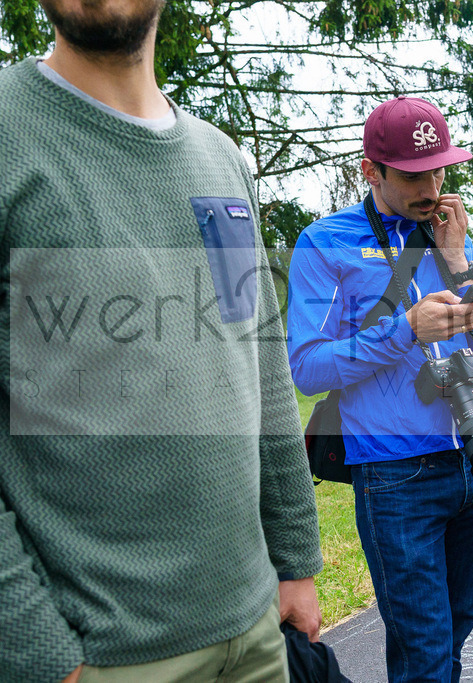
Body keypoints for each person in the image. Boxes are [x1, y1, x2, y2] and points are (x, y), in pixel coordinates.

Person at [0, 2, 324, 682]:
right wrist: (41, 650)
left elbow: (262, 364)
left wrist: (295, 561)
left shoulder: (221, 158)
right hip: (107, 656)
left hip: (257, 630)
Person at [287, 96, 473, 682]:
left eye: (439, 171)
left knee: (452, 641)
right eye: (413, 176)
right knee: (425, 657)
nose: (431, 188)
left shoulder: (449, 235)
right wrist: (405, 330)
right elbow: (306, 367)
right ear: (371, 170)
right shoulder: (324, 242)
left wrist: (459, 261)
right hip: (395, 476)